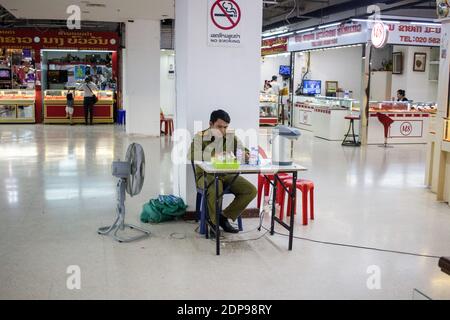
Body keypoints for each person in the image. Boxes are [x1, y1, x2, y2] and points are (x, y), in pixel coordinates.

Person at [188, 110, 257, 234]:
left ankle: (224, 217)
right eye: (219, 126)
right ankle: (213, 223)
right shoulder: (200, 137)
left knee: (250, 190)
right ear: (210, 124)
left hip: (227, 175)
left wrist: (246, 155)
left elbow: (243, 150)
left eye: (225, 127)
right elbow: (191, 154)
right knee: (216, 186)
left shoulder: (230, 136)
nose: (222, 130)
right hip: (205, 175)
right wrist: (215, 154)